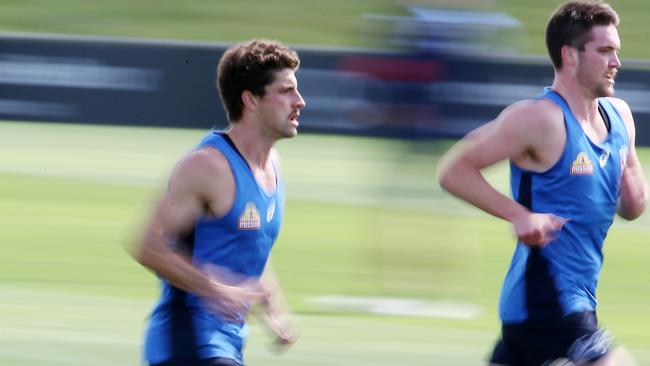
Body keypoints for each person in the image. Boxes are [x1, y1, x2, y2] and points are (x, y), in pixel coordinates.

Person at [437, 1, 648, 365]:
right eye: (605, 51)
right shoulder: (538, 119)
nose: (616, 62)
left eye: (616, 51)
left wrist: (629, 175)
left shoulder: (619, 117)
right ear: (570, 55)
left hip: (565, 304)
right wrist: (519, 215)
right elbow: (455, 170)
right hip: (547, 303)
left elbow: (632, 207)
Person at [131, 39, 306, 366]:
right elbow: (147, 246)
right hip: (186, 343)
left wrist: (274, 307)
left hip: (226, 344)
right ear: (250, 100)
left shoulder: (273, 166)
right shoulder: (207, 166)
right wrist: (215, 288)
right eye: (286, 91)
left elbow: (247, 239)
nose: (300, 101)